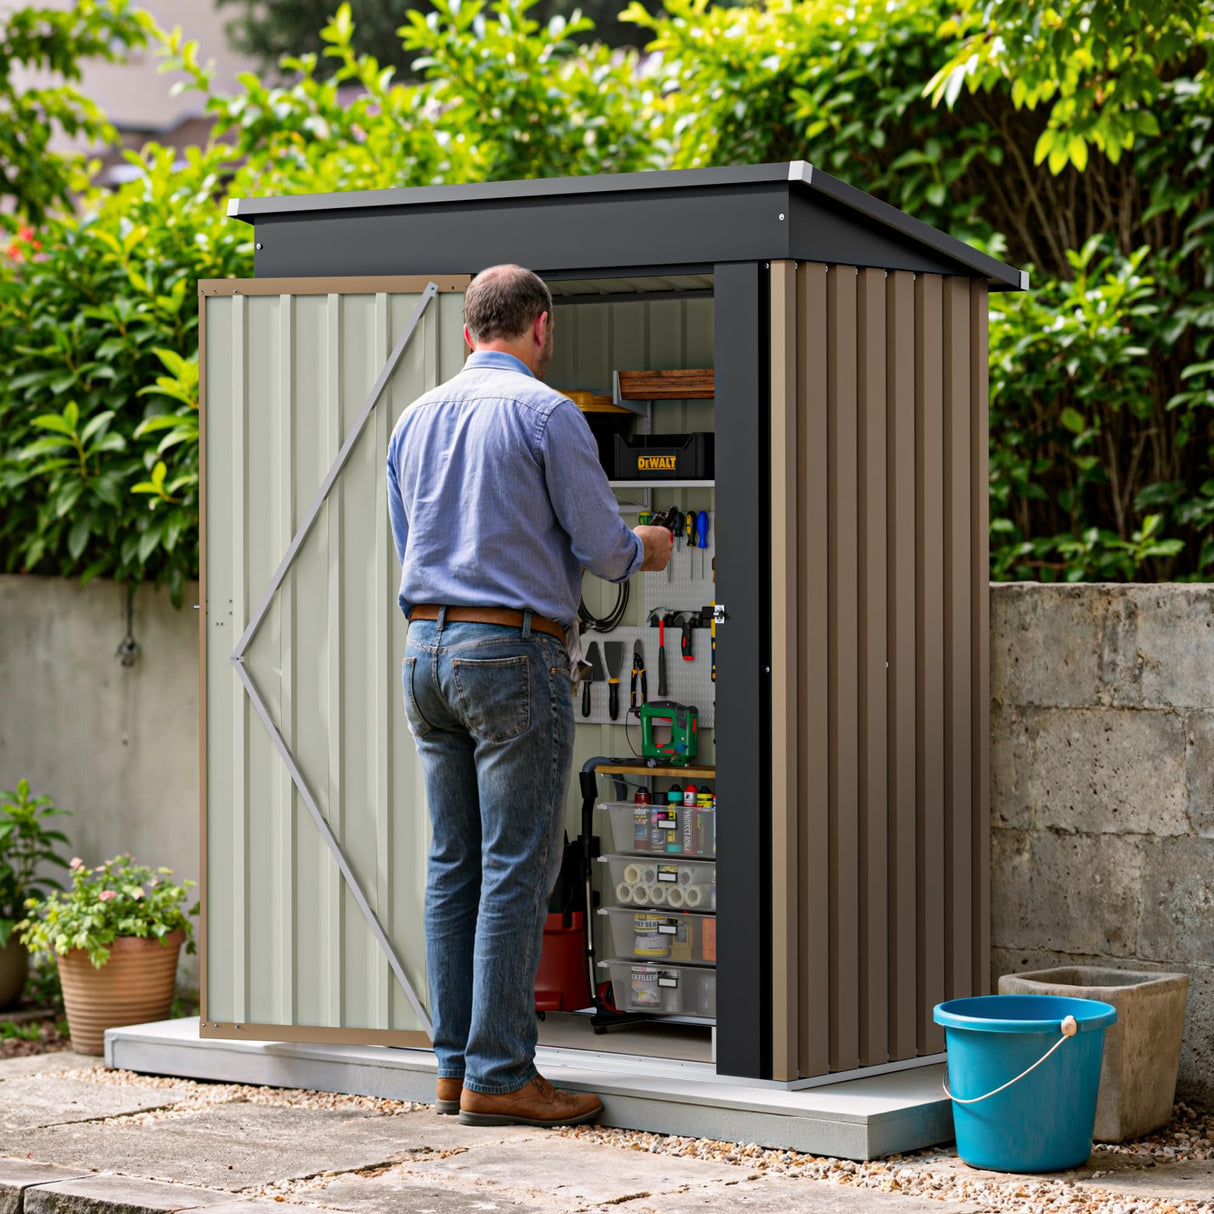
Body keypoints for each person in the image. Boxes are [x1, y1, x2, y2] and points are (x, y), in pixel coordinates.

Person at [386, 264, 672, 1127]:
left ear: (469, 331)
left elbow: (408, 539)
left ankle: (453, 1068)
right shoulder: (548, 414)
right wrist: (651, 546)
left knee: (454, 864)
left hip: (426, 647)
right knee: (516, 866)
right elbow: (601, 545)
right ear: (539, 328)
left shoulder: (414, 416)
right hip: (512, 653)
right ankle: (502, 1074)